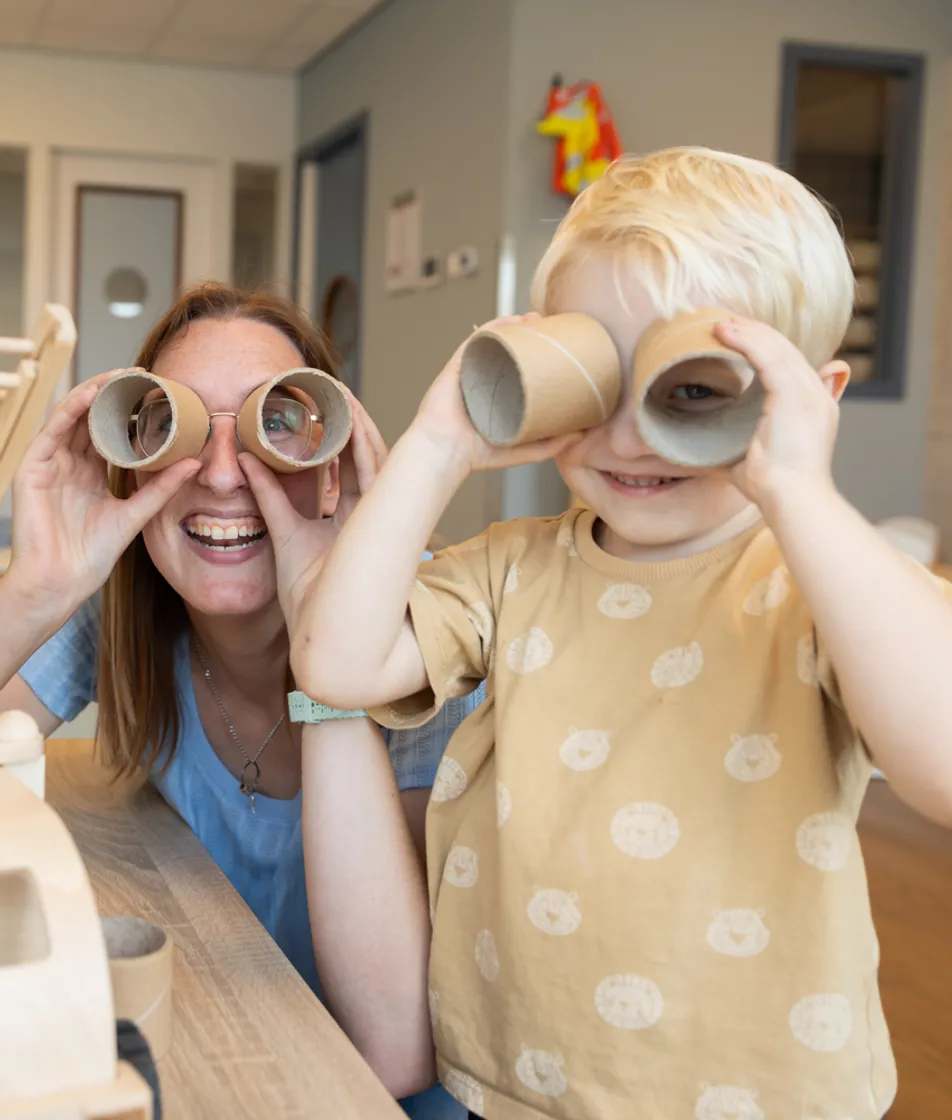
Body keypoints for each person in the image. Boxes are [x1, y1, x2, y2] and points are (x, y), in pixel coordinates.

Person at [290, 148, 952, 1119]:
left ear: (811, 396)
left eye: (691, 388)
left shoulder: (816, 583)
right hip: (518, 1076)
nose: (629, 436)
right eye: (594, 380)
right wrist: (439, 443)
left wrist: (800, 490)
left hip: (757, 1094)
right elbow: (337, 664)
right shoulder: (515, 566)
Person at [0, 283, 475, 1119]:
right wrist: (34, 592)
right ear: (131, 457)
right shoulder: (124, 598)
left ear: (335, 465)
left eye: (276, 424)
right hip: (211, 1059)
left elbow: (391, 1049)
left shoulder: (430, 632)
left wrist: (333, 627)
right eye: (179, 427)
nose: (222, 475)